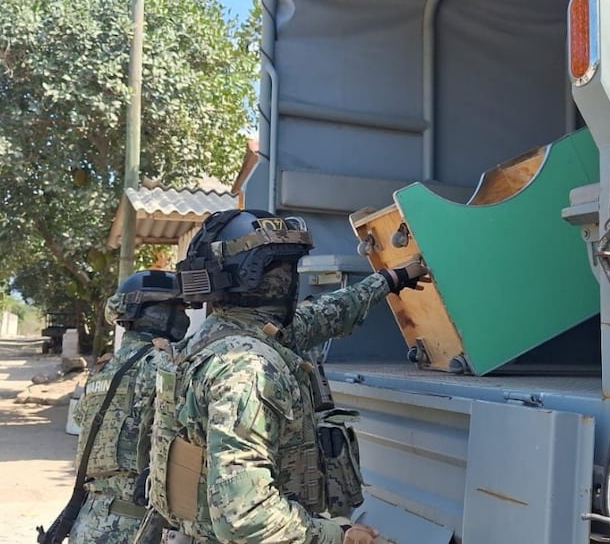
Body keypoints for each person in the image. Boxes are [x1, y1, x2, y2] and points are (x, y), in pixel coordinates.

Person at [145, 209, 428, 544]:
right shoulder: (246, 367)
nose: (292, 278)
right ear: (252, 274)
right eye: (284, 268)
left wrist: (390, 280)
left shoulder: (216, 338)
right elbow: (245, 518)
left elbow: (325, 315)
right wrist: (337, 536)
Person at [65, 270, 191, 544]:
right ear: (155, 312)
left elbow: (80, 420)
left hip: (89, 520)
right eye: (179, 308)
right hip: (135, 527)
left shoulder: (104, 368)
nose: (185, 316)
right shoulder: (162, 366)